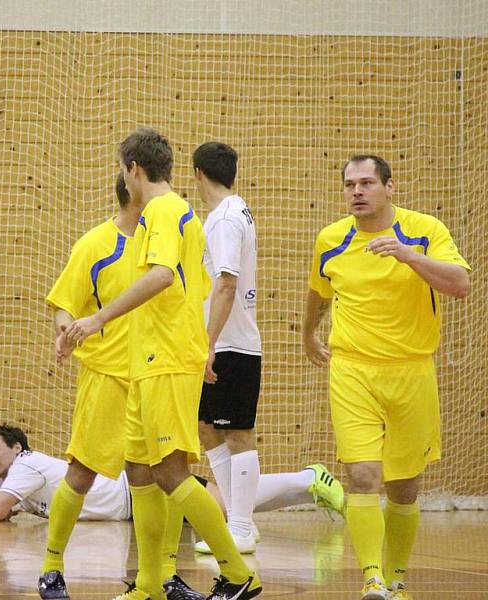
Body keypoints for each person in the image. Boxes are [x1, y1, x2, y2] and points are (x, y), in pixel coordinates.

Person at [66, 128, 261, 600]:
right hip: (152, 358)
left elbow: (160, 276)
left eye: (121, 169)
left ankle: (238, 575)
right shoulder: (176, 211)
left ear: (133, 169)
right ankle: (150, 584)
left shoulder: (163, 209)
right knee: (141, 468)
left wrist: (98, 318)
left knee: (172, 472)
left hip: (167, 358)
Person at [303, 155, 470, 600]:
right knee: (361, 475)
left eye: (367, 183)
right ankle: (372, 578)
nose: (357, 191)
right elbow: (319, 292)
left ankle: (397, 579)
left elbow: (460, 285)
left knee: (405, 485)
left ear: (389, 188)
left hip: (411, 370)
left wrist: (406, 255)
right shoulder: (331, 240)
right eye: (349, 185)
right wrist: (307, 335)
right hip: (352, 368)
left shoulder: (424, 231)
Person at [36, 174, 203, 600]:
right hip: (108, 375)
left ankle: (163, 577)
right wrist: (66, 331)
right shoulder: (96, 244)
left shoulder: (164, 239)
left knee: (161, 475)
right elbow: (64, 302)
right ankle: (52, 567)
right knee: (82, 471)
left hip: (159, 373)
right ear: (133, 190)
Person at [192, 142, 344, 555]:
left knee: (237, 433)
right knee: (209, 430)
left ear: (198, 174)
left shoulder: (224, 218)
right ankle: (237, 522)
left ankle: (240, 527)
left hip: (230, 342)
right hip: (222, 340)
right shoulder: (232, 211)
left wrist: (207, 343)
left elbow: (225, 282)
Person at [0, 424, 338, 525]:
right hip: (133, 510)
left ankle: (308, 477)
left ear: (17, 449)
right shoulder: (10, 477)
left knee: (228, 505)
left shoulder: (24, 466)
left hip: (140, 488)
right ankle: (310, 490)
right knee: (230, 511)